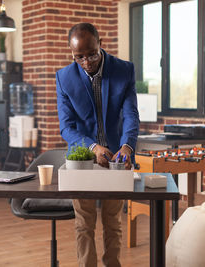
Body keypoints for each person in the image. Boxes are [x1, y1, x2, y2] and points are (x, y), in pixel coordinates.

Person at [56, 23, 140, 267]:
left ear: (100, 43)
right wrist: (93, 147)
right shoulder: (64, 78)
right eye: (78, 57)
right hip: (82, 160)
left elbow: (131, 115)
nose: (86, 62)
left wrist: (127, 145)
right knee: (84, 224)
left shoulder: (124, 70)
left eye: (91, 54)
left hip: (117, 159)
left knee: (113, 222)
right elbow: (67, 127)